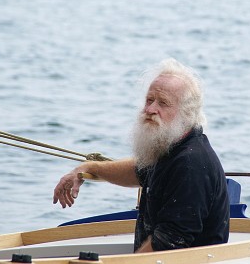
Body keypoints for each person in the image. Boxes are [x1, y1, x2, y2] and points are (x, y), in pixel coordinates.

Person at [53, 58, 230, 253]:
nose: (150, 109)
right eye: (149, 100)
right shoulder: (172, 146)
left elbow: (167, 244)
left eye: (163, 103)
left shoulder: (190, 163)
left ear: (186, 114)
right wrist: (87, 168)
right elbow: (137, 171)